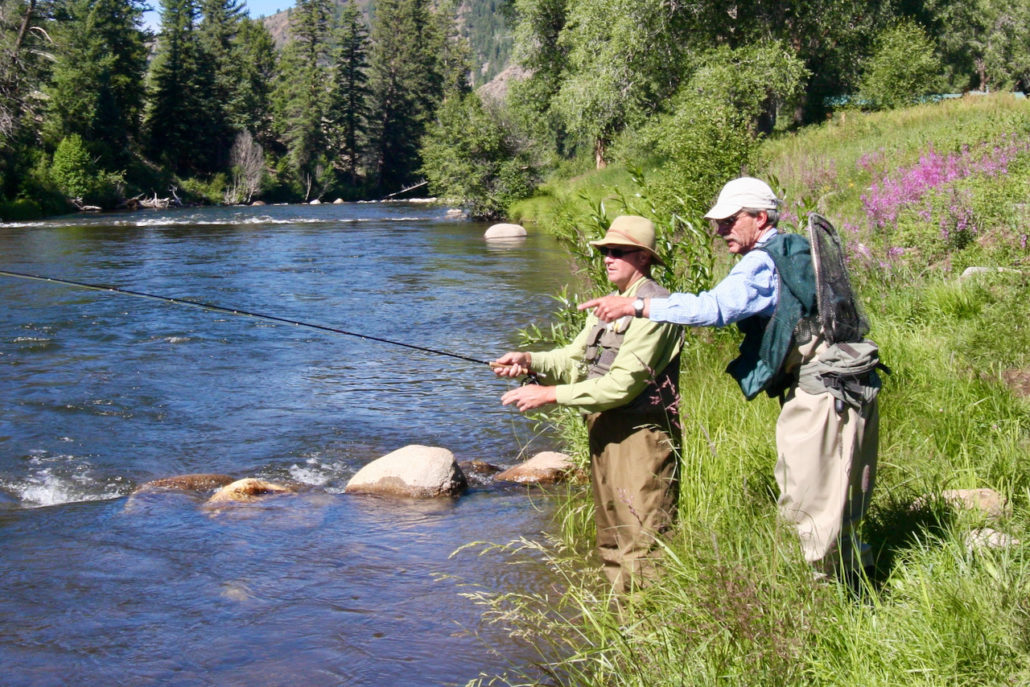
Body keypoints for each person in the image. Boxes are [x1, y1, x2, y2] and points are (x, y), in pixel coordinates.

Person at [580, 178, 879, 579]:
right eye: (718, 222)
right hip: (844, 383)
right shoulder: (793, 249)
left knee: (808, 500)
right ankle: (857, 583)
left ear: (760, 218)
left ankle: (825, 591)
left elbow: (714, 309)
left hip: (821, 391)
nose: (720, 229)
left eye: (729, 220)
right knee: (841, 494)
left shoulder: (762, 262)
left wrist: (637, 306)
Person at [492, 215, 684, 592]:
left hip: (641, 439)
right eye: (605, 251)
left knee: (644, 546)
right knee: (611, 542)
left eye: (618, 251)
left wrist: (549, 394)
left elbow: (622, 385)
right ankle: (623, 622)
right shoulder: (611, 305)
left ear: (643, 257)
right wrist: (529, 360)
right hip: (604, 432)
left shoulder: (656, 307)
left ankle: (651, 622)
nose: (608, 258)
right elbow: (574, 359)